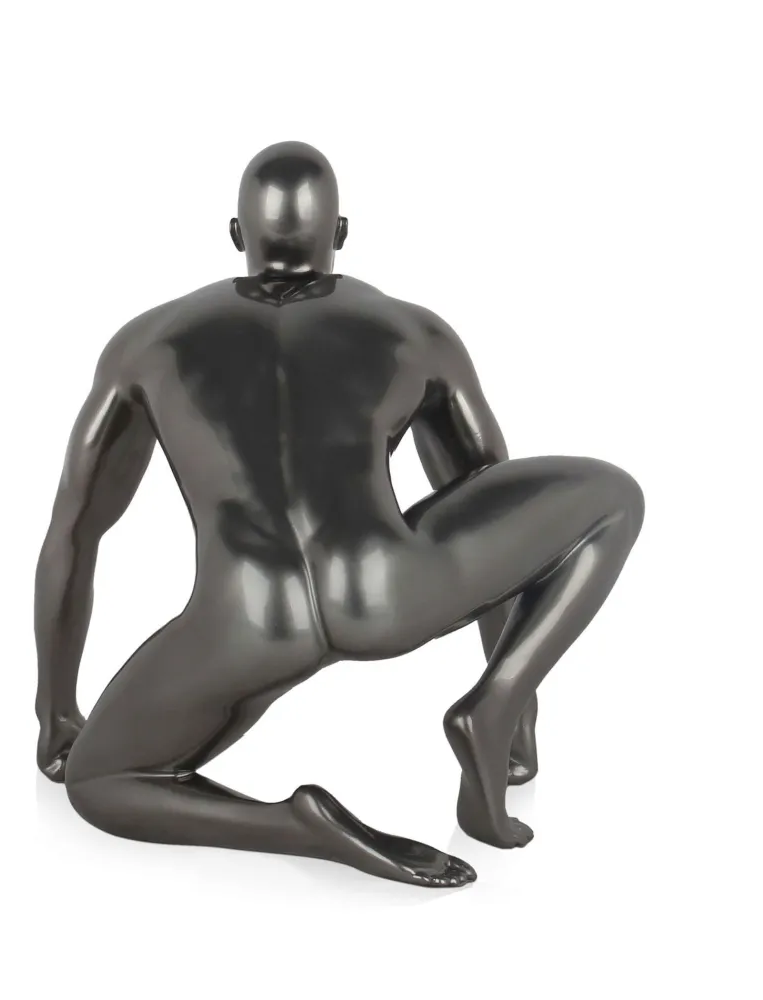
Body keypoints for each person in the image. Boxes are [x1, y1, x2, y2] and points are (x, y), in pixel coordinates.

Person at [34, 141, 644, 888]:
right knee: (614, 497)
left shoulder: (143, 345)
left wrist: (55, 712)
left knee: (99, 781)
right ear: (342, 233)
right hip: (388, 590)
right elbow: (494, 511)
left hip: (244, 625)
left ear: (236, 234)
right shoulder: (416, 332)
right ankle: (489, 709)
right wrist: (517, 720)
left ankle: (297, 828)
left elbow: (74, 533)